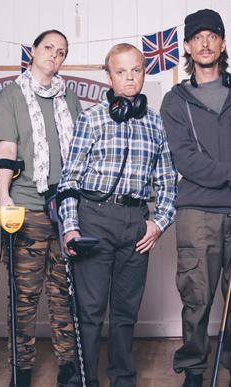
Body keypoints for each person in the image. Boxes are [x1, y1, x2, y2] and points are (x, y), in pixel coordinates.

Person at [57, 43, 177, 387]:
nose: (129, 77)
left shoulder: (155, 123)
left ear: (143, 73)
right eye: (121, 71)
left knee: (126, 312)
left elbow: (169, 183)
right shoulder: (91, 118)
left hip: (136, 223)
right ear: (109, 76)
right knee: (91, 312)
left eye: (136, 70)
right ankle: (85, 380)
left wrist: (159, 222)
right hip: (93, 218)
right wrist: (70, 228)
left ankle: (123, 379)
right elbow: (70, 179)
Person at [160, 9, 231, 387]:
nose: (205, 43)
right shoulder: (175, 101)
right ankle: (193, 369)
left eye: (213, 35)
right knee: (197, 297)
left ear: (222, 43)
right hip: (197, 212)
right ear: (187, 46)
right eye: (197, 37)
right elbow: (187, 161)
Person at [0, 29, 82, 387]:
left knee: (65, 294)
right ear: (33, 51)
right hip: (27, 209)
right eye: (48, 48)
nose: (54, 55)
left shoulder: (70, 97)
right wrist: (4, 197)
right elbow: (6, 152)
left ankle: (68, 366)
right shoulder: (12, 95)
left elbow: (78, 151)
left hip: (66, 210)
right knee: (25, 296)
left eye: (61, 51)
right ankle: (22, 367)